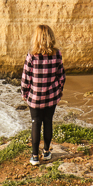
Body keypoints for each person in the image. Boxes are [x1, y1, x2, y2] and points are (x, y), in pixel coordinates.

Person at [21, 24, 66, 166]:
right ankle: (46, 152)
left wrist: (24, 93)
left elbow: (26, 77)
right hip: (51, 96)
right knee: (48, 122)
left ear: (36, 38)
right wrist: (58, 91)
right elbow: (61, 76)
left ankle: (34, 156)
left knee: (35, 123)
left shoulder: (31, 56)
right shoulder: (56, 54)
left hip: (35, 97)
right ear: (51, 37)